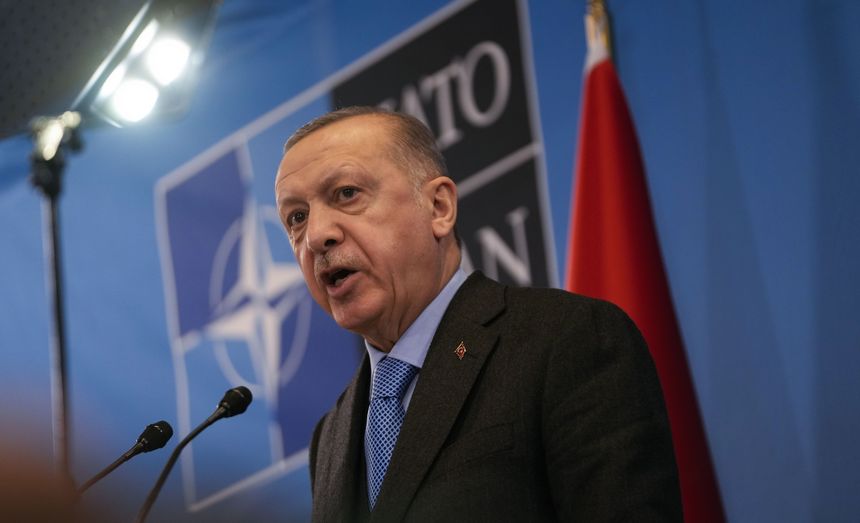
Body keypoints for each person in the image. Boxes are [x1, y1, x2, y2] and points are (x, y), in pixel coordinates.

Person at [275, 106, 681, 522]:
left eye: (346, 193)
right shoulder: (331, 435)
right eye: (297, 218)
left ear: (439, 208)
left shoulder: (566, 339)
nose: (317, 236)